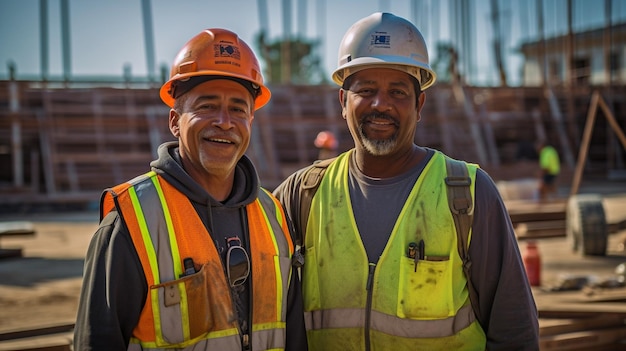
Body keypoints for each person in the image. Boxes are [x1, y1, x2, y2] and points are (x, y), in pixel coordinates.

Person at [273, 12, 539, 350]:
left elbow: (514, 330)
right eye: (366, 90)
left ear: (419, 105)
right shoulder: (303, 195)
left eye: (397, 92)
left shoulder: (468, 194)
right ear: (343, 102)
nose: (381, 104)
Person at [74, 28, 307, 350]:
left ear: (251, 120)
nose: (224, 121)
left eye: (238, 109)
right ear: (174, 121)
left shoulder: (273, 214)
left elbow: (293, 333)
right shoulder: (131, 220)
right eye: (207, 106)